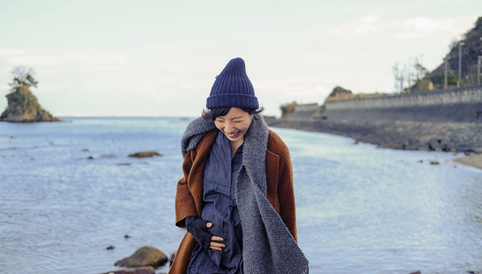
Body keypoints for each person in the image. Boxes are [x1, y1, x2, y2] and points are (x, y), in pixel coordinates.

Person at [169, 57, 309, 274]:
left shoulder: (274, 150)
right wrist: (192, 223)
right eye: (220, 119)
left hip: (250, 258)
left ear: (252, 113)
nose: (228, 127)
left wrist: (286, 260)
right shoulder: (202, 143)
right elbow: (186, 183)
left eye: (237, 120)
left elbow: (286, 209)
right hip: (204, 253)